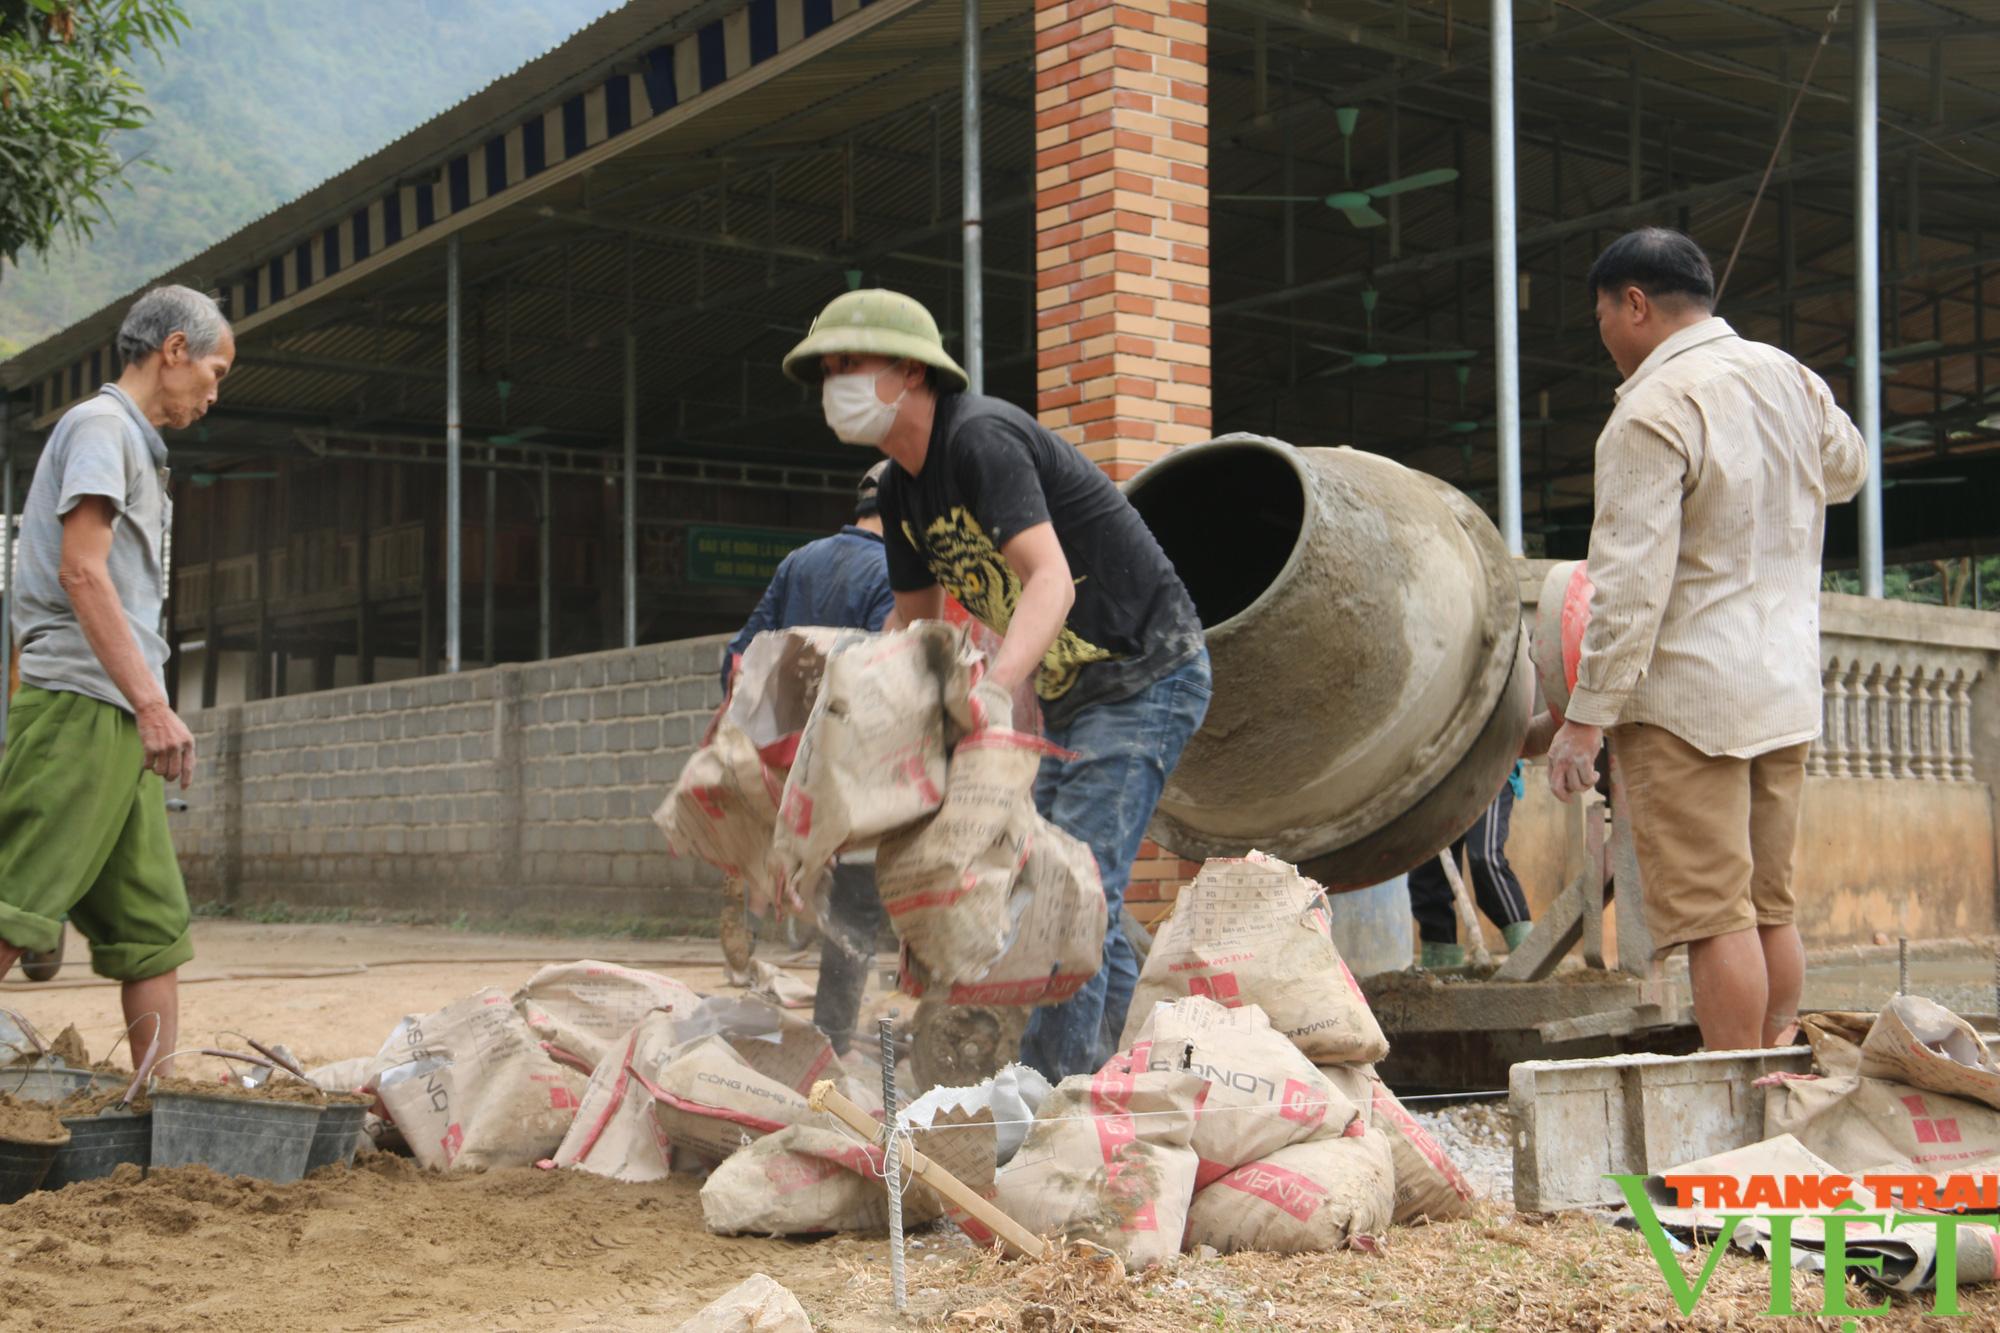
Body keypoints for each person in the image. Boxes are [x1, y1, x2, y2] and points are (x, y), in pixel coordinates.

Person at [782, 289, 1210, 1081]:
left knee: (1062, 894)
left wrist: (995, 688)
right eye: (825, 372)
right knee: (1075, 896)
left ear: (909, 370)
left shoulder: (978, 440)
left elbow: (1051, 581)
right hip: (1076, 694)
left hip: (1146, 671)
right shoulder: (905, 490)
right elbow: (910, 633)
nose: (832, 386)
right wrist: (846, 728)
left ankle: (1051, 1099)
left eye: (848, 364)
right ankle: (1109, 1080)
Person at [1545, 229, 1866, 1051]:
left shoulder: (1651, 411)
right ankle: (1780, 1079)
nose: (1607, 334)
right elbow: (1849, 469)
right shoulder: (1791, 376)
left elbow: (1629, 586)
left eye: (1604, 315)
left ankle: (1735, 1090)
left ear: (1636, 304)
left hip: (1690, 701)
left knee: (1716, 916)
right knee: (1770, 906)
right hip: (1785, 688)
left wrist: (1585, 718)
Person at [0, 285, 236, 1073]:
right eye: (214, 368)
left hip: (118, 717)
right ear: (173, 350)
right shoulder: (102, 427)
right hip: (82, 705)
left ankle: (155, 1103)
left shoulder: (131, 444)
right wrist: (151, 703)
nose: (214, 390)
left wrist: (146, 709)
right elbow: (82, 573)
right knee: (14, 903)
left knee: (151, 928)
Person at [718, 462, 897, 1056]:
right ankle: (832, 1041)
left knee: (806, 873)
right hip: (851, 769)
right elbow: (881, 677)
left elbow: (739, 656)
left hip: (786, 764)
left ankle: (754, 897)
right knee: (857, 906)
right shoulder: (895, 572)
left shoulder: (800, 562)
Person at [1407, 762, 1533, 967]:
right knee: (1427, 875)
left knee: (1485, 858)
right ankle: (1440, 970)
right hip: (1436, 777)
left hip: (1491, 766)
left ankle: (1532, 956)